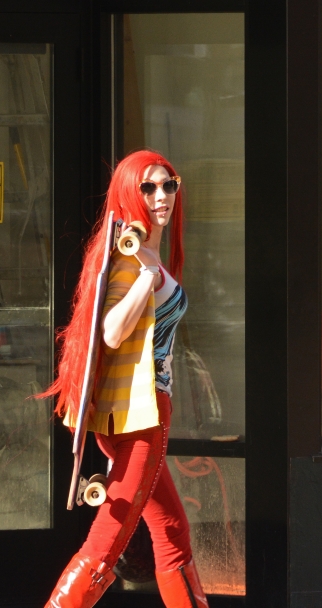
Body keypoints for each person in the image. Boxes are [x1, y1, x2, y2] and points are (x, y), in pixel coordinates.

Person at [41, 150, 207, 608]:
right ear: (127, 194)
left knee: (171, 529)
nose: (161, 196)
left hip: (145, 410)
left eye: (168, 184)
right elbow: (111, 332)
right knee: (107, 541)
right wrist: (146, 277)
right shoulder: (131, 258)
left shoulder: (147, 250)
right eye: (148, 187)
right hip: (141, 414)